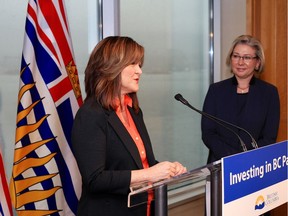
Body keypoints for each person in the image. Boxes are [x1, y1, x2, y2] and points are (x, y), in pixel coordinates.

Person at [71, 36, 187, 216]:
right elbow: (95, 179)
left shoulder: (133, 110)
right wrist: (150, 174)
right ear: (110, 66)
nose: (139, 71)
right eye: (132, 64)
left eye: (140, 64)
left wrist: (166, 169)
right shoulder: (91, 114)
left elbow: (139, 163)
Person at [201, 35, 280, 164]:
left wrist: (247, 160)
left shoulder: (269, 93)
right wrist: (233, 159)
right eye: (236, 56)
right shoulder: (216, 91)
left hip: (255, 165)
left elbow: (269, 137)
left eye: (247, 57)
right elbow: (208, 133)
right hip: (221, 165)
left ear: (257, 63)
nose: (240, 62)